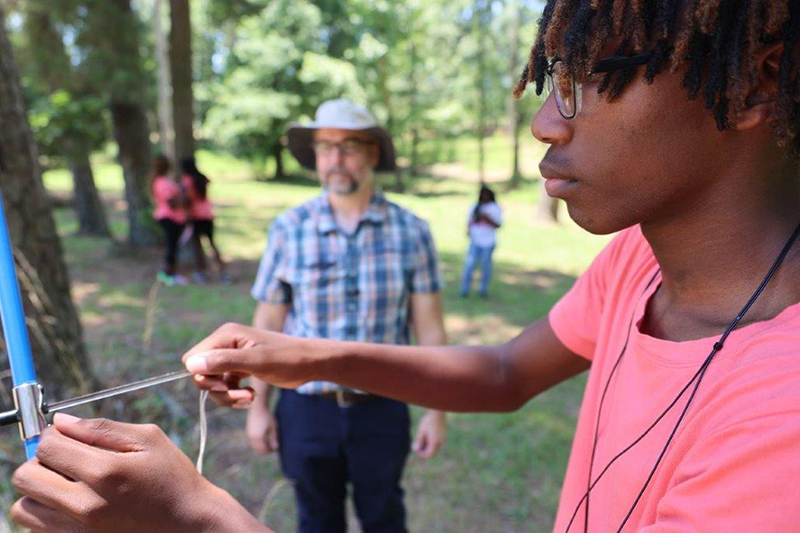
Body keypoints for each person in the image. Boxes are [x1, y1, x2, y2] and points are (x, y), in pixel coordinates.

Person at [10, 2, 800, 532]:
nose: (545, 121)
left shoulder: (782, 425)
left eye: (594, 80)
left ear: (751, 83)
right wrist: (297, 355)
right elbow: (500, 371)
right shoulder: (638, 262)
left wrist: (198, 517)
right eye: (555, 77)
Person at [245, 99, 447, 532]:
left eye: (349, 146)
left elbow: (429, 329)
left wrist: (436, 410)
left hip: (382, 408)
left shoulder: (412, 232)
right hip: (304, 409)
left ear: (373, 153)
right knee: (316, 521)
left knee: (384, 518)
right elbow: (267, 327)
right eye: (324, 147)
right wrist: (258, 406)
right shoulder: (288, 229)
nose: (335, 159)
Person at [180, 157, 230, 285]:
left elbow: (188, 199)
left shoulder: (187, 180)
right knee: (212, 244)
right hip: (207, 214)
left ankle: (201, 273)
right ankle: (222, 273)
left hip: (196, 216)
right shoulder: (201, 178)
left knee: (198, 246)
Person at [151, 155, 189, 286]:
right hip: (169, 217)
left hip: (173, 218)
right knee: (171, 246)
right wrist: (183, 196)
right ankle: (168, 274)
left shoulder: (163, 181)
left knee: (173, 246)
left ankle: (171, 273)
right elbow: (171, 203)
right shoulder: (162, 182)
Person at [460, 185, 503, 298]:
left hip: (488, 242)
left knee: (486, 267)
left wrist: (487, 219)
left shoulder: (495, 208)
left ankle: (483, 290)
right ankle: (465, 290)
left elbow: (498, 224)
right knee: (469, 266)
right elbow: (470, 222)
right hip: (475, 241)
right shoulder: (475, 207)